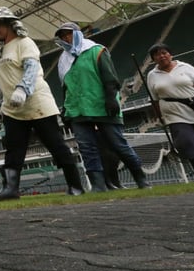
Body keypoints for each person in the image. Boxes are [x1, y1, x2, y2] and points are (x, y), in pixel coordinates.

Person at [0, 8, 84, 200]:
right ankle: (10, 189)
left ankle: (75, 185)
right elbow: (6, 80)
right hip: (13, 109)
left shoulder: (24, 43)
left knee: (56, 145)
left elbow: (31, 68)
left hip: (37, 104)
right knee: (13, 150)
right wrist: (5, 105)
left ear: (9, 24)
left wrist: (22, 90)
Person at [54, 22, 151, 191]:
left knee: (117, 143)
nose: (66, 38)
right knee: (86, 147)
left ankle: (140, 178)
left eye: (68, 34)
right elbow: (66, 86)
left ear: (77, 34)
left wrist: (110, 98)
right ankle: (98, 185)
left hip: (102, 105)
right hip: (77, 109)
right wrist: (66, 110)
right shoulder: (63, 60)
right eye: (62, 36)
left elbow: (110, 76)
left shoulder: (96, 50)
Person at [145, 43, 194, 183]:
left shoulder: (186, 67)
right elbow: (155, 100)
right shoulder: (152, 75)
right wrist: (160, 117)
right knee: (188, 143)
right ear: (153, 59)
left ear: (170, 54)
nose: (162, 56)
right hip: (175, 115)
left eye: (164, 52)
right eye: (157, 54)